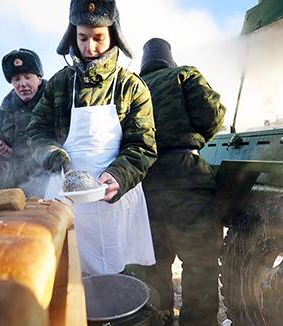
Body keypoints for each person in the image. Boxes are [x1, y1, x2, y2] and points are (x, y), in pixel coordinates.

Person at [26, 0, 157, 276]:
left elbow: (143, 145)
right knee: (68, 274)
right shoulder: (59, 84)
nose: (90, 47)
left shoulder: (131, 86)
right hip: (66, 195)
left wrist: (120, 175)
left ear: (113, 35)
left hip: (117, 198)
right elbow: (37, 130)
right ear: (72, 35)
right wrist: (50, 152)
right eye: (82, 37)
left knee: (120, 275)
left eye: (98, 38)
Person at [139, 38, 227, 326]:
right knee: (200, 264)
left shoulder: (132, 87)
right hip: (188, 180)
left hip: (145, 185)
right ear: (169, 58)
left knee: (154, 266)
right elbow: (212, 114)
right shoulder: (184, 74)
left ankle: (159, 320)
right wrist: (195, 139)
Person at [0, 48, 47, 195]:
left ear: (39, 78)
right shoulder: (3, 111)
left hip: (48, 181)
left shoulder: (53, 102)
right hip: (14, 184)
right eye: (17, 79)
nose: (22, 84)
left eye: (28, 77)